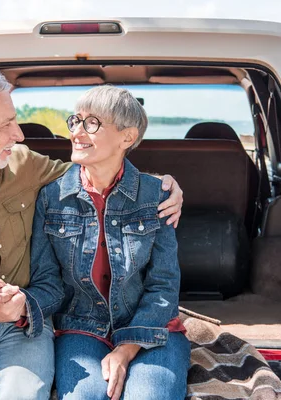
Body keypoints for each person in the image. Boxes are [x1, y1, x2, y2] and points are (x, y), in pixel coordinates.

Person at [0, 67, 184, 400]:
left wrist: (160, 186)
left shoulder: (22, 165)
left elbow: (97, 171)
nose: (19, 134)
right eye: (5, 124)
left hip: (22, 327)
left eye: (15, 120)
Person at [32, 86, 190, 400]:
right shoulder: (50, 197)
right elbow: (46, 281)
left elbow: (164, 285)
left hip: (152, 326)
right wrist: (19, 307)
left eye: (92, 123)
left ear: (127, 137)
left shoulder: (157, 195)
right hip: (80, 325)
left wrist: (127, 349)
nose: (77, 132)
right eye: (75, 121)